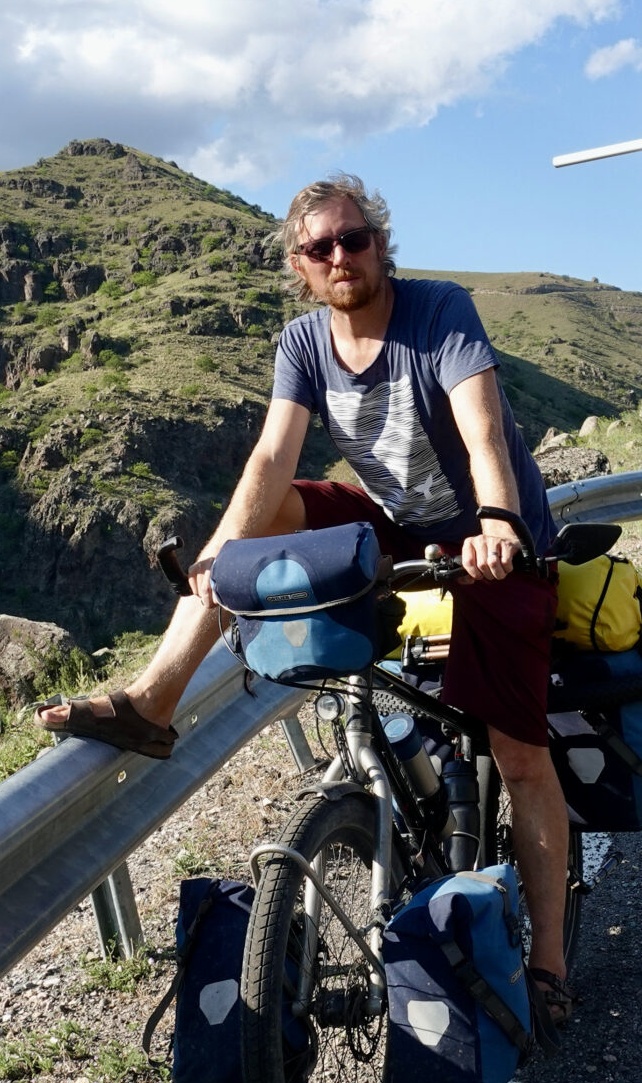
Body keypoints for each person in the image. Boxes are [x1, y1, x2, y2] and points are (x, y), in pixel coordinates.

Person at [40, 173, 577, 1029]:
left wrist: (502, 523)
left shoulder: (439, 312)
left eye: (353, 239)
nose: (340, 256)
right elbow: (267, 459)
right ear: (299, 264)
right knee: (272, 506)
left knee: (519, 757)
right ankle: (156, 696)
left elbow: (482, 430)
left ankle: (546, 962)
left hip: (489, 537)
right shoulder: (302, 344)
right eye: (319, 247)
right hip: (397, 525)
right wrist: (221, 557)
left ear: (380, 242)